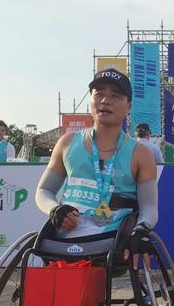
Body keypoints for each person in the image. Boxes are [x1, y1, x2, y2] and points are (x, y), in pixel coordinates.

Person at [34, 68, 158, 269]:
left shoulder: (141, 154)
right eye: (98, 94)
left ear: (128, 106)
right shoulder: (66, 143)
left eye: (115, 96)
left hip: (113, 240)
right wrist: (55, 210)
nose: (105, 100)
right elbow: (43, 191)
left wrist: (141, 229)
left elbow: (150, 208)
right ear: (90, 100)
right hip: (64, 238)